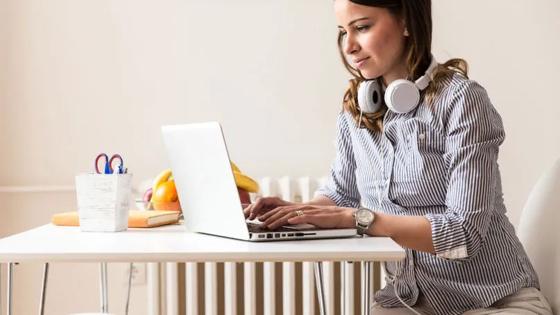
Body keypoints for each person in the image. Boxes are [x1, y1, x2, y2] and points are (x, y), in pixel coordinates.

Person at [244, 0, 553, 314]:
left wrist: (361, 219)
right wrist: (297, 213)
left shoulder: (462, 101)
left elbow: (464, 234)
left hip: (495, 303)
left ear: (406, 22)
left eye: (362, 27)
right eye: (342, 32)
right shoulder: (357, 111)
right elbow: (341, 194)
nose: (349, 46)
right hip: (410, 303)